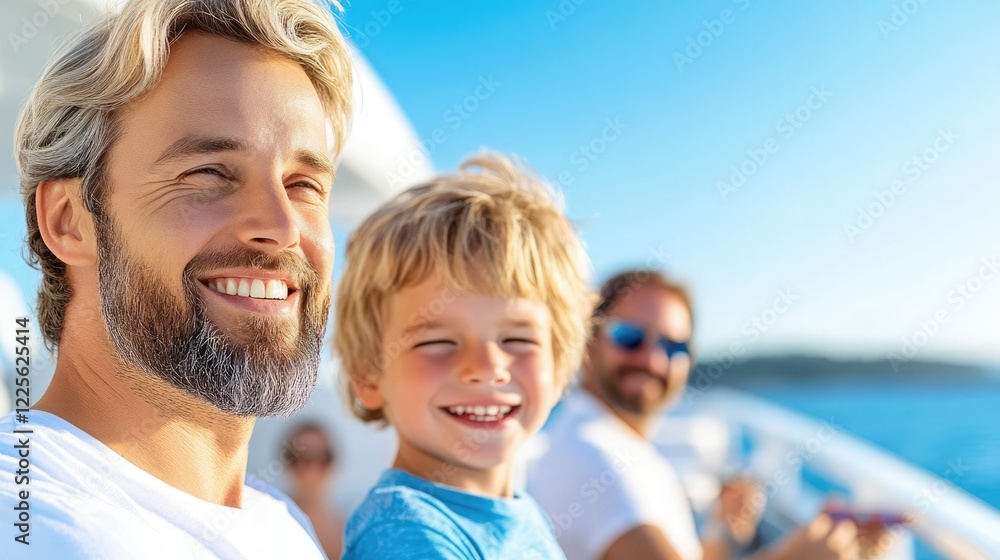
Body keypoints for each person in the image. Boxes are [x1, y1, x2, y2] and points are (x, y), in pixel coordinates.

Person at [0, 0, 352, 557]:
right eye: (209, 172)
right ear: (68, 220)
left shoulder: (283, 529)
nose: (282, 227)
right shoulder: (31, 522)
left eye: (304, 184)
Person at [333, 153, 593, 559]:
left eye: (518, 340)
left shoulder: (526, 520)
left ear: (559, 365)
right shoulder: (405, 532)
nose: (487, 369)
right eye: (437, 343)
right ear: (368, 374)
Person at [527, 270, 866, 560]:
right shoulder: (597, 456)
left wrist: (725, 530)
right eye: (630, 337)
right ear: (588, 342)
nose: (654, 361)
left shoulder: (607, 441)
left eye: (674, 347)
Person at [282, 422, 347, 559]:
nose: (312, 468)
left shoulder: (347, 530)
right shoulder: (273, 522)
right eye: (302, 458)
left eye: (322, 457)